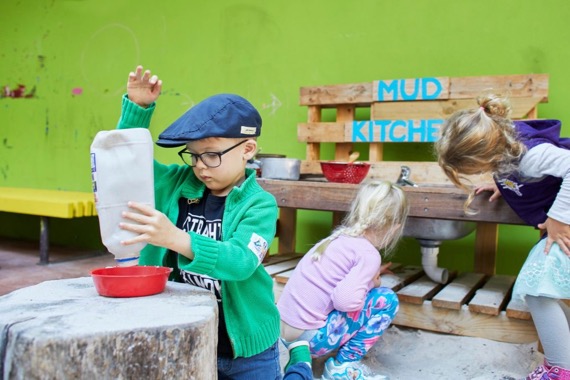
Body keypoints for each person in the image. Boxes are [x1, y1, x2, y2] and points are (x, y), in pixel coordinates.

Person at [116, 66, 282, 379]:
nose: (201, 166)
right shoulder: (177, 184)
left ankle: (297, 360)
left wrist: (175, 238)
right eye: (193, 155)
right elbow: (127, 163)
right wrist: (137, 109)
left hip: (249, 352)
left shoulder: (259, 204)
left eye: (211, 155)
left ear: (247, 149)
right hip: (186, 338)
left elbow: (241, 261)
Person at [434, 93, 570, 380]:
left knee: (538, 289)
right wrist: (506, 187)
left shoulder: (532, 156)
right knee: (545, 290)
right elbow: (517, 173)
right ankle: (563, 363)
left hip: (563, 228)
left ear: (486, 154)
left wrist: (558, 218)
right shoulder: (503, 140)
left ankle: (560, 370)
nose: (475, 174)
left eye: (473, 168)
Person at [277, 180, 408, 380]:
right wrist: (373, 282)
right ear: (394, 228)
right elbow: (344, 301)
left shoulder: (337, 239)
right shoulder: (368, 254)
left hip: (285, 333)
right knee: (386, 299)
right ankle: (342, 366)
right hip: (310, 339)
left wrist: (367, 275)